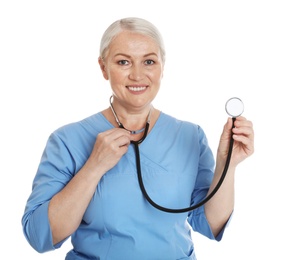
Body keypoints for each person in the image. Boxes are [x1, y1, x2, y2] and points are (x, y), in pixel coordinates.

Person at [22, 17, 254, 259]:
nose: (137, 75)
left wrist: (229, 163)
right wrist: (94, 167)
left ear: (162, 67)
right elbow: (40, 236)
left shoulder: (190, 136)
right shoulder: (67, 140)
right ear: (103, 68)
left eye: (149, 62)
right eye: (123, 62)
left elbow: (210, 223)